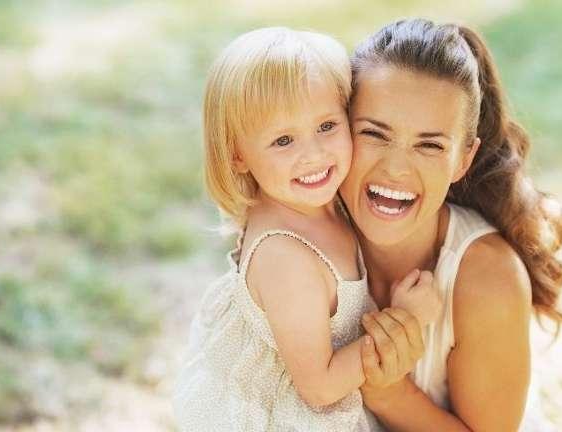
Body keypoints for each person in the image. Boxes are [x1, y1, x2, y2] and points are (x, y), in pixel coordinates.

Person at [173, 26, 440, 431]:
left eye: (327, 126)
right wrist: (406, 318)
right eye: (283, 140)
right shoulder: (286, 259)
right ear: (238, 155)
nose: (313, 155)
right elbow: (319, 385)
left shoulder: (314, 199)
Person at [339, 19, 562, 430]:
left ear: (463, 159)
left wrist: (390, 392)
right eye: (374, 134)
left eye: (429, 145)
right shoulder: (301, 233)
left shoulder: (488, 278)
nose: (395, 169)